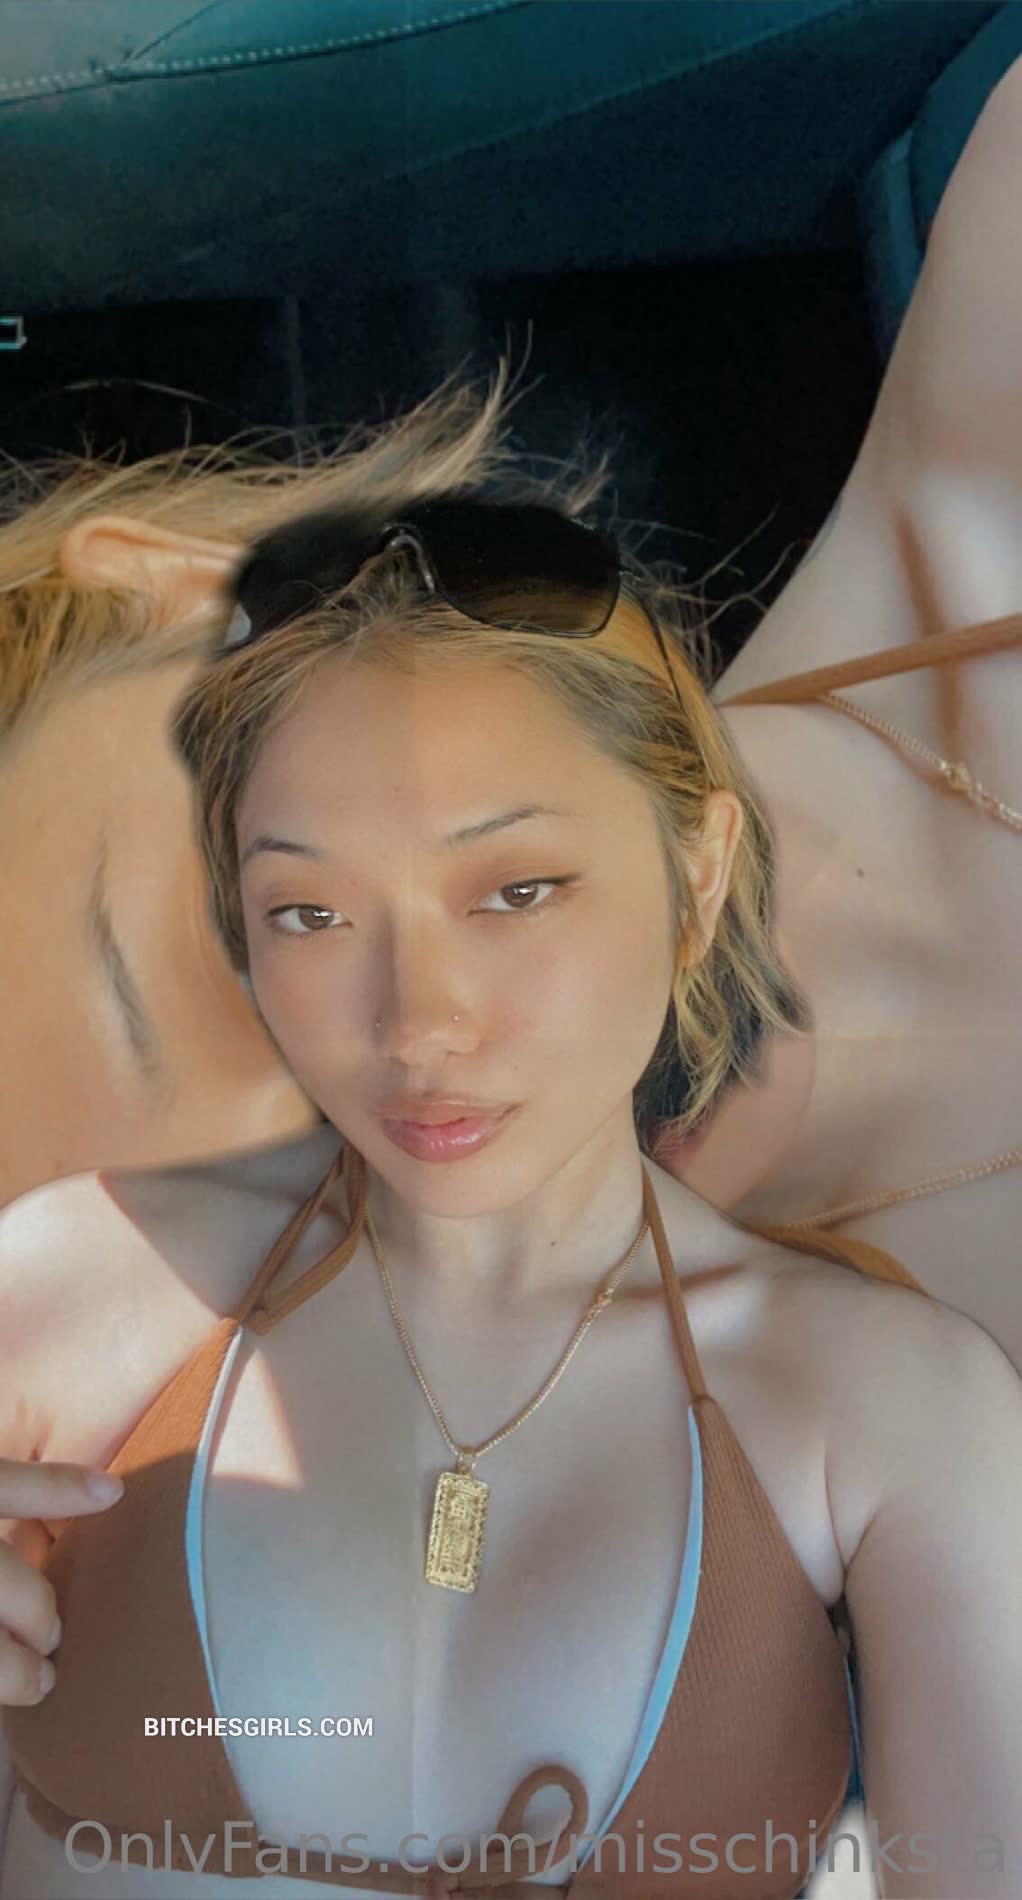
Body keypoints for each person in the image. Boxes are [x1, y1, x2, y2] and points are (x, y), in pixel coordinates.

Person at [1, 485, 1019, 1900]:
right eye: (311, 913)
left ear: (698, 874)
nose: (419, 1024)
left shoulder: (889, 1406)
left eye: (517, 891)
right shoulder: (62, 1290)